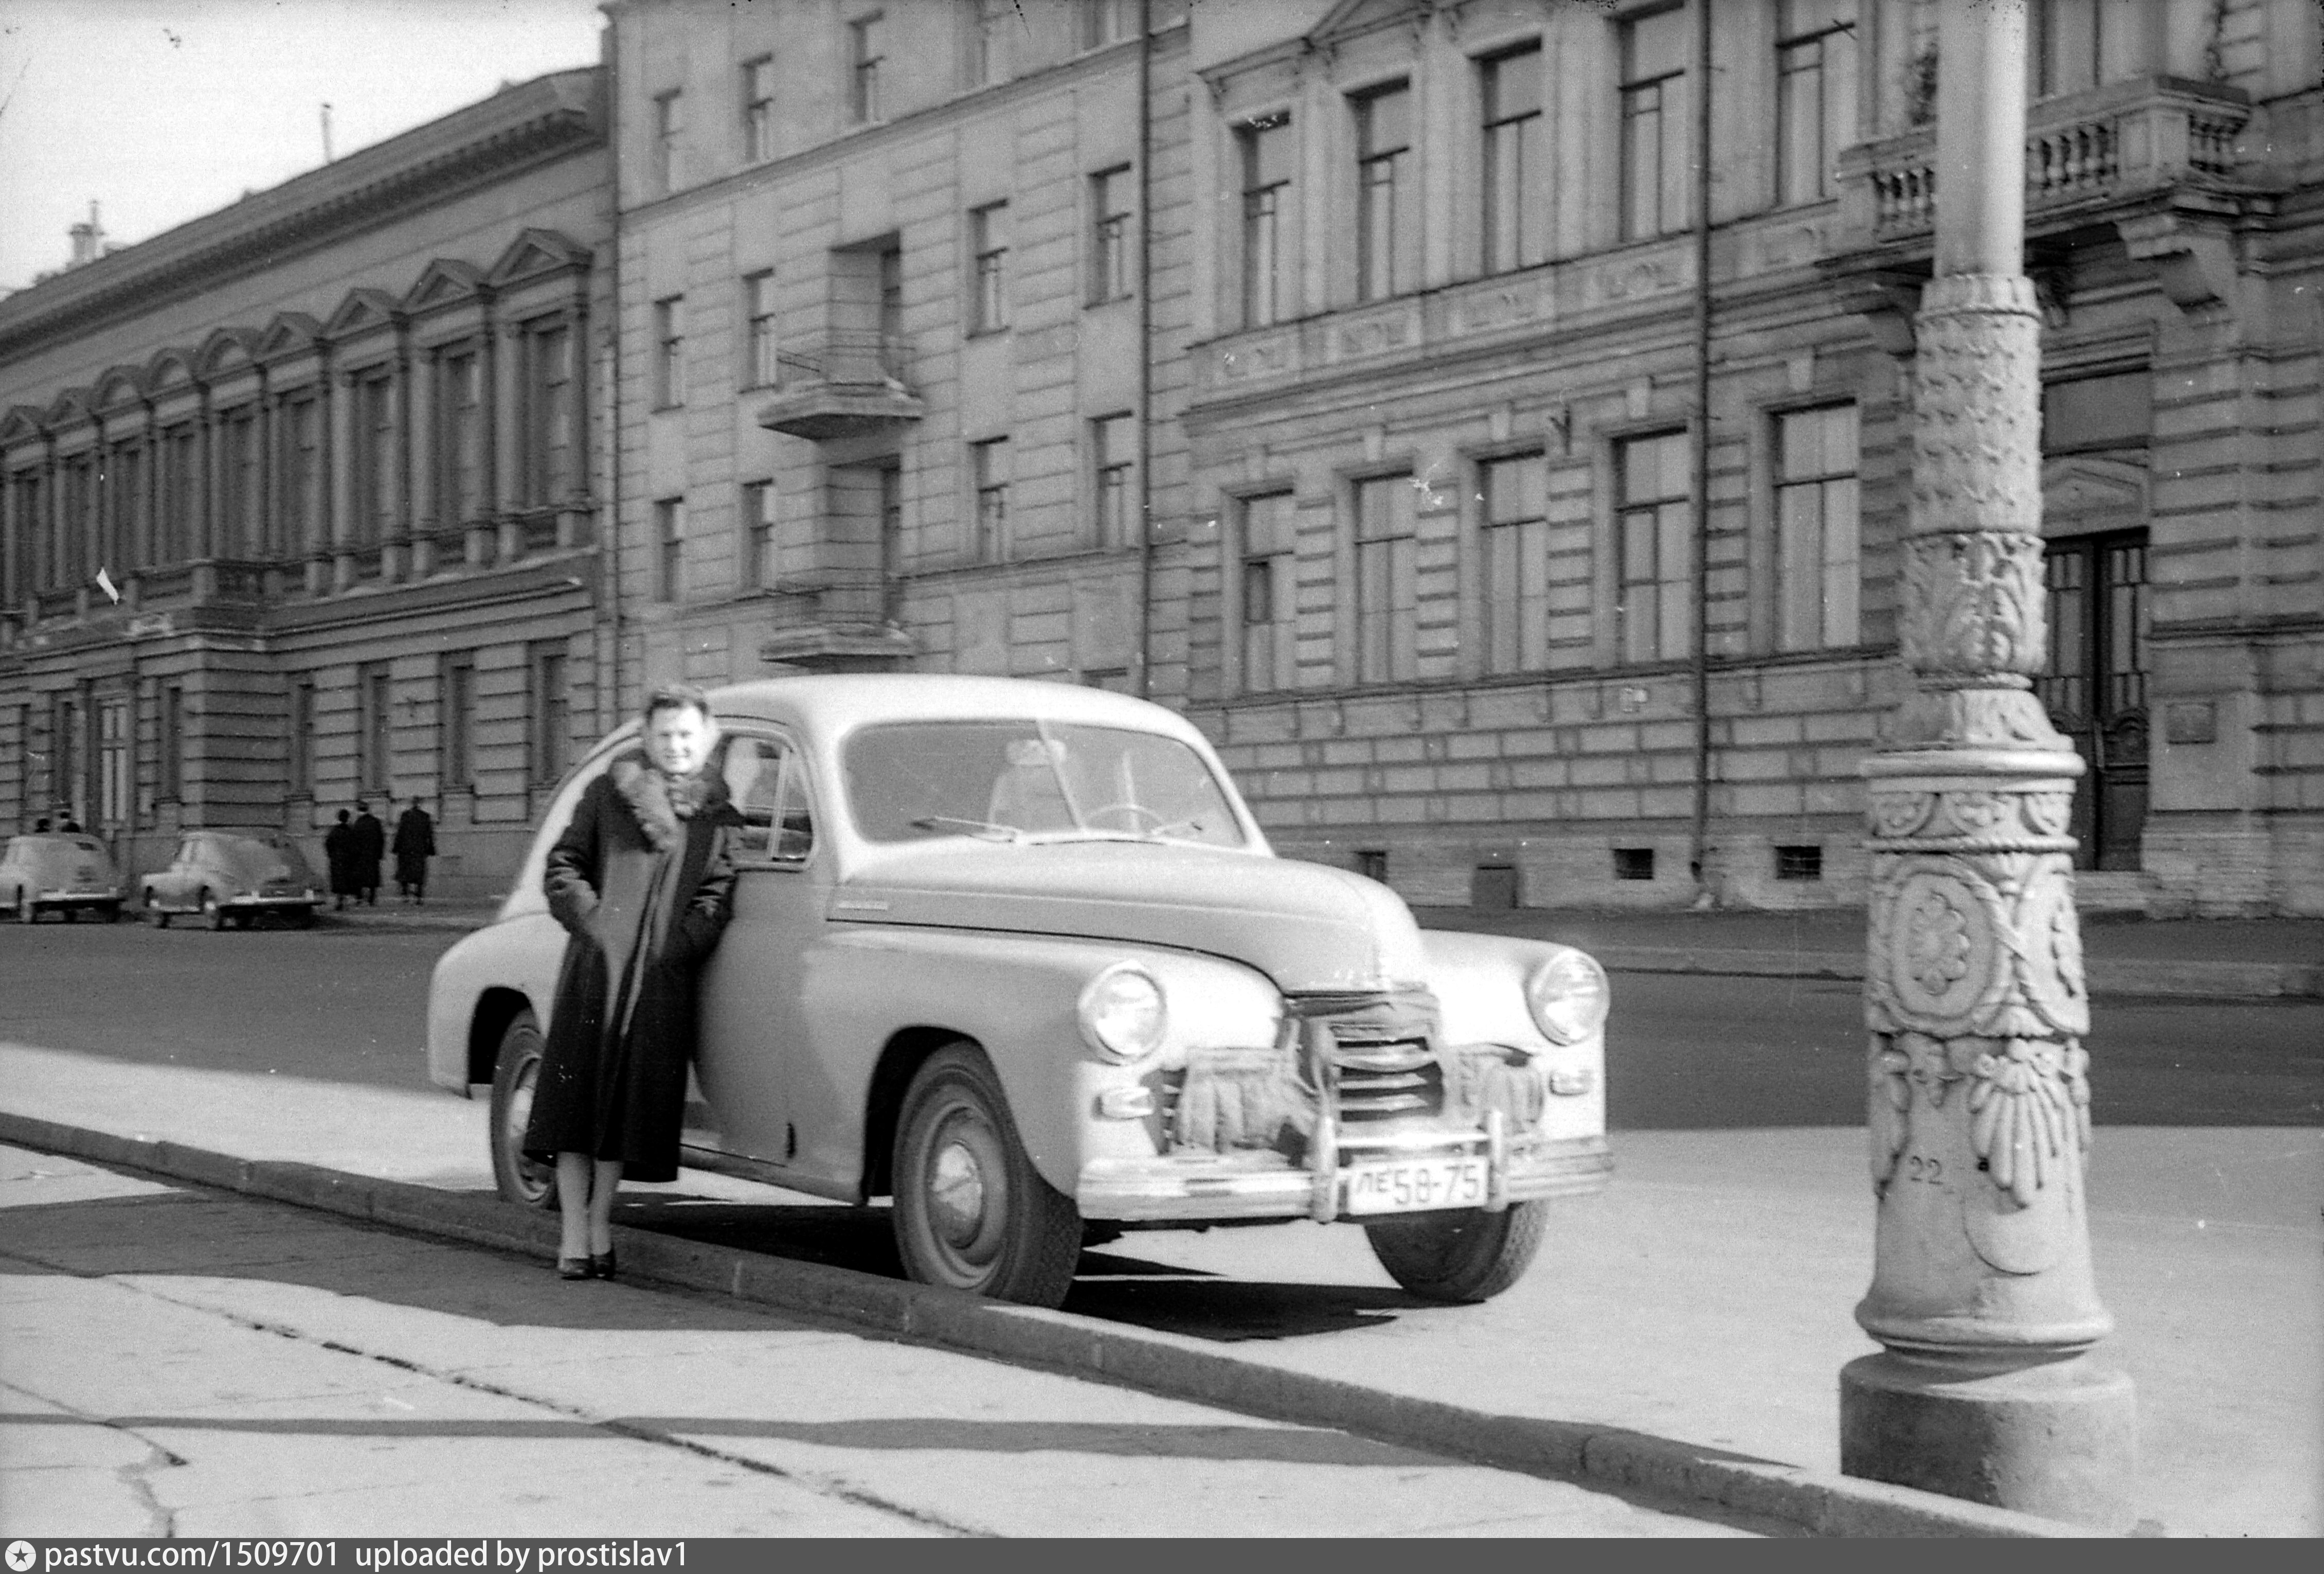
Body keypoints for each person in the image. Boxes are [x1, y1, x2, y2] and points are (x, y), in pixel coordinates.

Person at [522, 684, 741, 1281]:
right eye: (665, 735)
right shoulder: (608, 793)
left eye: (686, 736)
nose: (676, 746)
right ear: (647, 739)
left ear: (708, 740)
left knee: (624, 1114)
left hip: (657, 983)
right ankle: (572, 1234)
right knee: (574, 1111)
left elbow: (717, 897)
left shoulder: (718, 816)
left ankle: (598, 1222)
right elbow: (563, 866)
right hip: (595, 976)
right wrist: (595, 927)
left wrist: (677, 950)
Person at [393, 796, 437, 904]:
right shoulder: (425, 817)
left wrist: (396, 847)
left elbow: (400, 833)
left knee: (405, 873)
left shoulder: (405, 816)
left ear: (412, 804)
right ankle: (419, 896)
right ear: (419, 804)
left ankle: (405, 895)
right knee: (419, 874)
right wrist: (431, 849)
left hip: (406, 850)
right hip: (419, 850)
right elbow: (429, 835)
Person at [351, 800, 385, 906]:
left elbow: (354, 841)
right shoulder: (376, 822)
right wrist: (380, 854)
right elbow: (381, 839)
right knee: (373, 878)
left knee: (359, 879)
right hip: (373, 855)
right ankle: (372, 899)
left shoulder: (357, 824)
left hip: (360, 856)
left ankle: (359, 899)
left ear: (359, 811)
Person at [323, 809, 357, 910]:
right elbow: (354, 846)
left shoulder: (334, 831)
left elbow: (328, 844)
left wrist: (332, 855)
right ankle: (342, 900)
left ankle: (340, 900)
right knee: (346, 881)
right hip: (347, 860)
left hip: (337, 859)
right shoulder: (350, 831)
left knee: (338, 881)